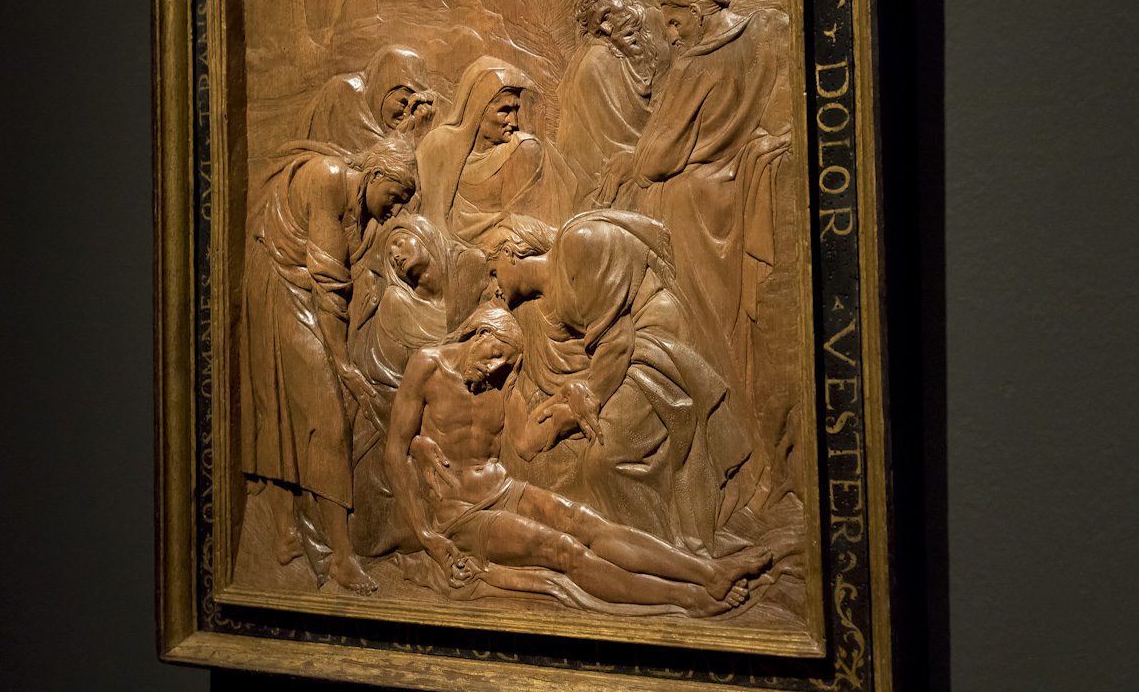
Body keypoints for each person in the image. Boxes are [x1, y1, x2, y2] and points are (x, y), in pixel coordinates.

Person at [384, 304, 770, 615]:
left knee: (587, 523)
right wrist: (427, 536)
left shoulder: (500, 380)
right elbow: (394, 453)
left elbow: (527, 443)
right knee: (563, 550)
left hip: (504, 490)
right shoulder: (427, 366)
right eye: (497, 353)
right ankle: (687, 598)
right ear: (481, 333)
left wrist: (567, 396)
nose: (497, 366)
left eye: (507, 361)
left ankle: (709, 573)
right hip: (462, 515)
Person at [486, 212, 759, 554]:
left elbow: (617, 341)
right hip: (628, 353)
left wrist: (585, 401)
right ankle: (658, 555)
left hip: (654, 342)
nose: (494, 287)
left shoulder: (576, 245)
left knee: (606, 459)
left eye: (493, 272)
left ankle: (668, 558)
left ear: (510, 253)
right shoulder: (550, 297)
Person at [598, 0, 792, 430]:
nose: (670, 34)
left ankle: (720, 425)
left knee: (699, 324)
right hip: (734, 197)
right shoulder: (767, 34)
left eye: (675, 22)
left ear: (701, 12)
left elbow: (657, 160)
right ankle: (741, 416)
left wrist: (632, 162)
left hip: (692, 210)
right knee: (730, 326)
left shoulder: (696, 67)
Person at [240, 133, 417, 594]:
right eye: (395, 195)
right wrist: (342, 364)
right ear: (374, 174)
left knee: (287, 410)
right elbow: (329, 282)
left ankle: (286, 534)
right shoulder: (329, 179)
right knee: (323, 415)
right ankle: (340, 556)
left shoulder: (361, 205)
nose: (397, 208)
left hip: (298, 289)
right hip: (280, 286)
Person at [345, 214, 488, 556]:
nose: (395, 254)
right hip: (400, 420)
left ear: (424, 234)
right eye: (389, 253)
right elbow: (383, 379)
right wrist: (415, 438)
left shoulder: (468, 270)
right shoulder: (396, 305)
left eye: (399, 241)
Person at [415, 56, 573, 246]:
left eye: (516, 110)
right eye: (504, 110)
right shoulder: (439, 147)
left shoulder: (521, 151)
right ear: (478, 108)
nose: (514, 122)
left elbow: (522, 228)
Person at [555, 0, 661, 210]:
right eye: (631, 29)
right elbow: (623, 138)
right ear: (604, 22)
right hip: (606, 189)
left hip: (630, 171)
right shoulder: (598, 63)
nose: (638, 36)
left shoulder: (617, 56)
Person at [300, 44, 438, 150]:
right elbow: (374, 162)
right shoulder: (345, 91)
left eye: (413, 109)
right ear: (383, 87)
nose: (407, 114)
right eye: (403, 102)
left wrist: (420, 132)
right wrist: (401, 138)